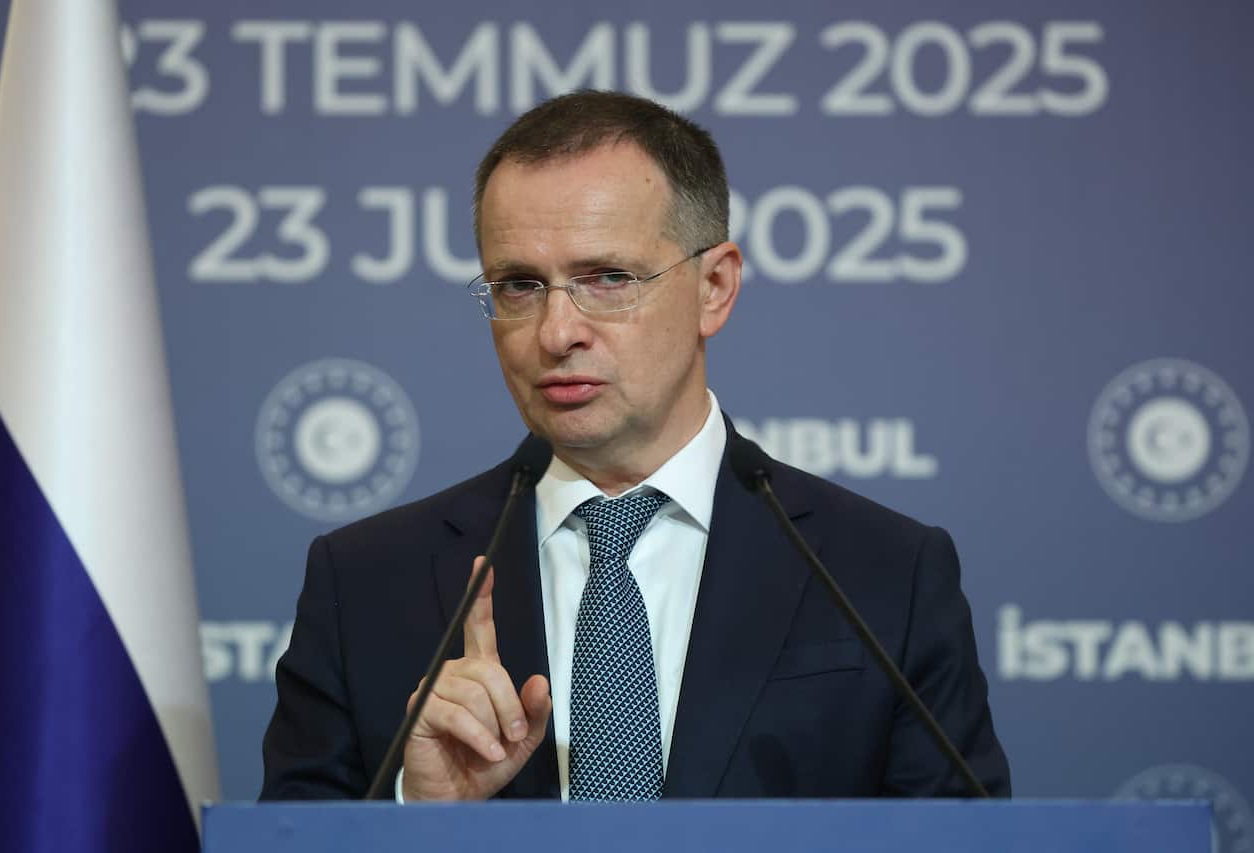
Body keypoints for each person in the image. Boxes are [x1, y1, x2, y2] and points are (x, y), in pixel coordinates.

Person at [260, 90, 1010, 802]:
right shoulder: (362, 582)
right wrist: (413, 814)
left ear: (714, 287)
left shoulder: (884, 574)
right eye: (519, 284)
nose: (556, 332)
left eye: (608, 278)